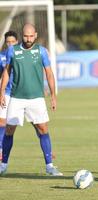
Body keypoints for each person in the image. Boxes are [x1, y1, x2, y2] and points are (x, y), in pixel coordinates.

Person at [0, 23, 62, 176]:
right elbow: (7, 72)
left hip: (36, 99)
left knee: (43, 129)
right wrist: (2, 92)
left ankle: (49, 166)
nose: (28, 39)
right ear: (23, 35)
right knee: (9, 130)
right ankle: (3, 165)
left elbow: (49, 73)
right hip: (16, 98)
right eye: (25, 36)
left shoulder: (41, 51)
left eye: (31, 36)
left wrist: (53, 96)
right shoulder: (12, 51)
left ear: (35, 35)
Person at [0, 31, 18, 161]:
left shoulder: (23, 55)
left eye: (13, 42)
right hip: (6, 93)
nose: (10, 44)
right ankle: (1, 149)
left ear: (17, 42)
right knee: (2, 122)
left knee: (37, 123)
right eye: (8, 42)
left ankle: (48, 151)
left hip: (20, 93)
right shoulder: (1, 57)